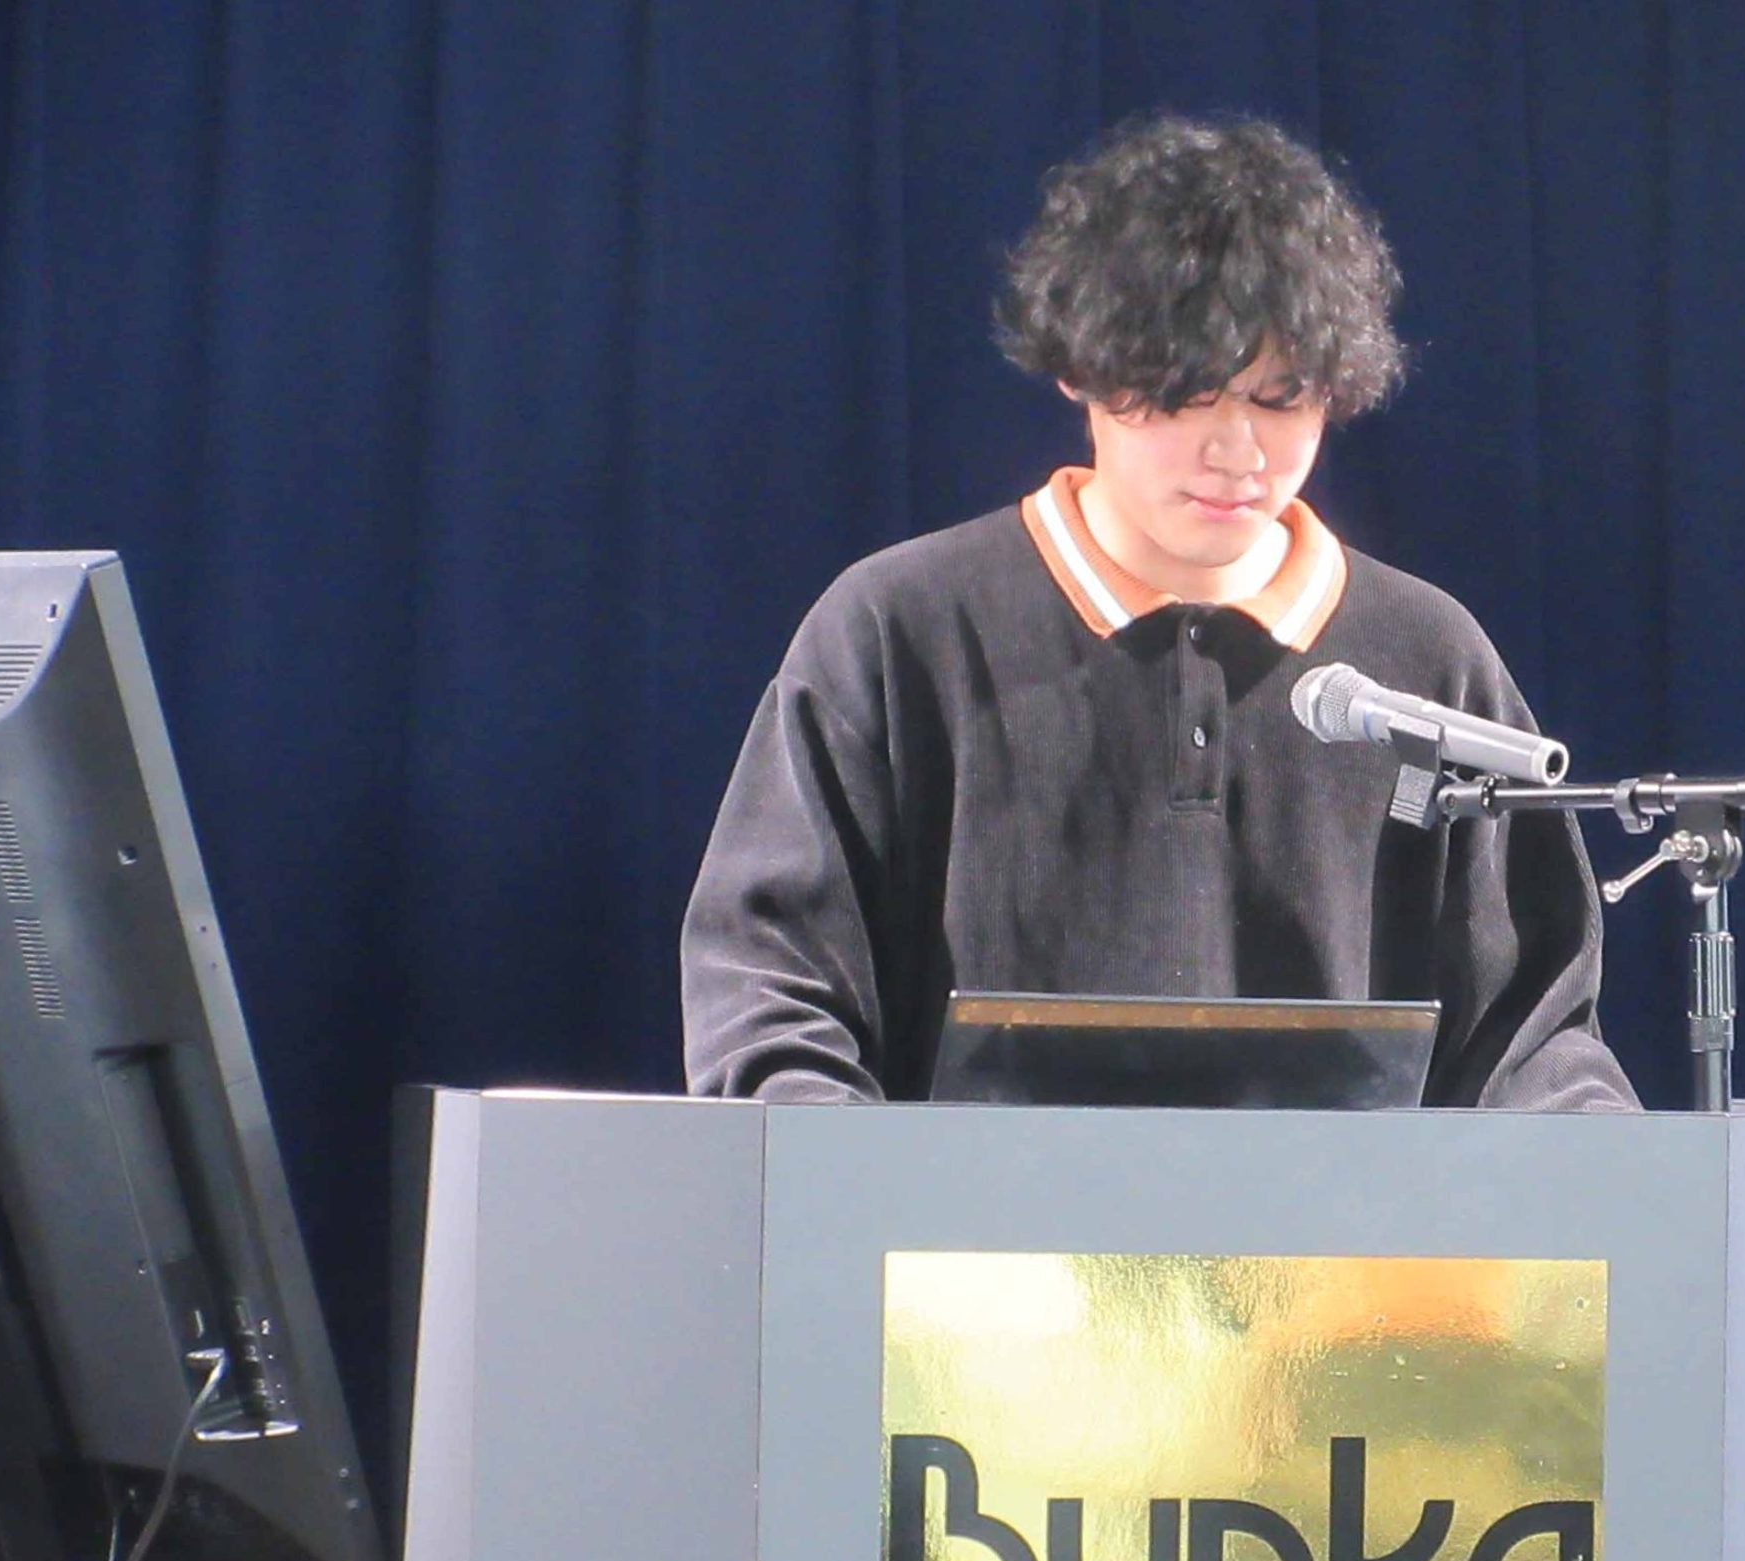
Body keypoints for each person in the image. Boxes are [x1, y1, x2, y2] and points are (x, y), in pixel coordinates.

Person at [682, 113, 1634, 1110]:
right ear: (1081, 369)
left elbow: (1534, 1040)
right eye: (1187, 397)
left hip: (1341, 1222)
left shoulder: (1427, 659)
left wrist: (1606, 1165)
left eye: (1279, 400)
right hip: (959, 1217)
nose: (1237, 452)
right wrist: (847, 1181)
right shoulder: (897, 631)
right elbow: (771, 997)